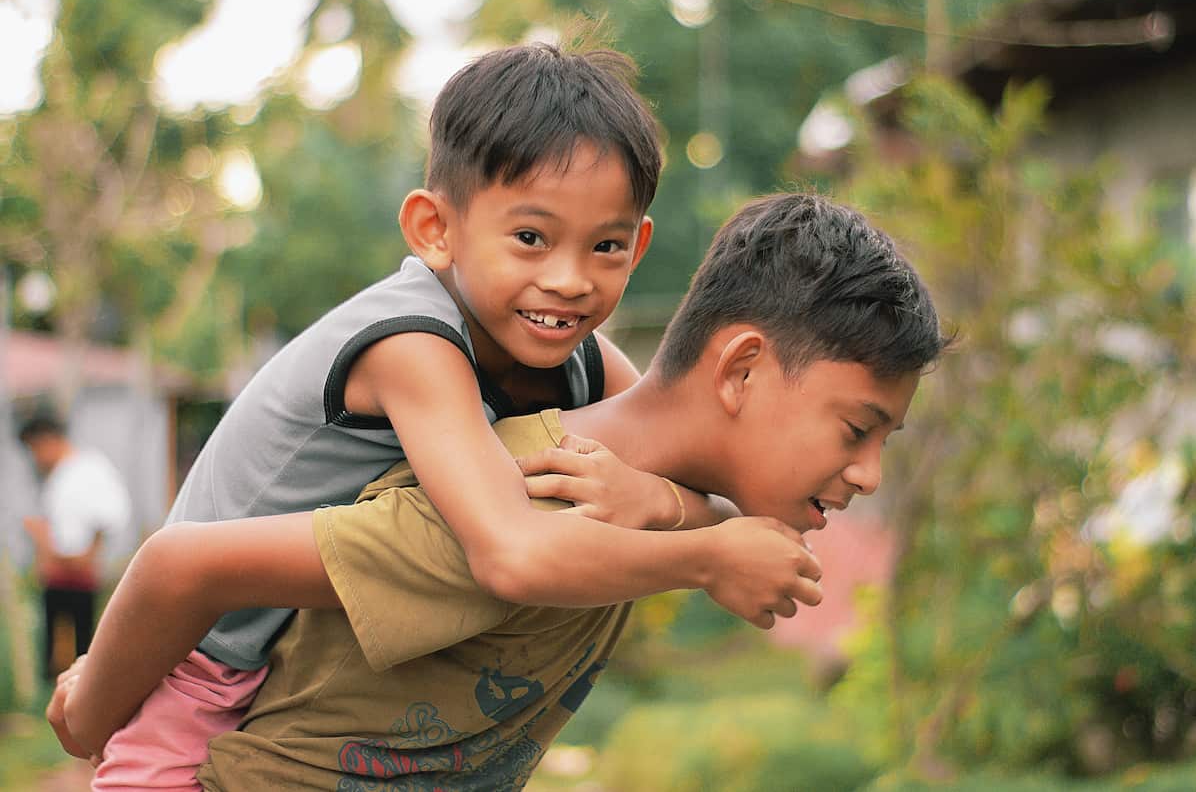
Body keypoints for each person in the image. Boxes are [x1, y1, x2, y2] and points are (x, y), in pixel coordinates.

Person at [70, 42, 819, 791]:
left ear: (640, 245)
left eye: (606, 247)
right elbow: (511, 553)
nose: (568, 280)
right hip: (200, 666)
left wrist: (661, 499)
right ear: (435, 229)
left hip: (295, 676)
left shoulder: (576, 355)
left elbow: (670, 431)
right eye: (531, 238)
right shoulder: (412, 345)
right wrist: (709, 553)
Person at [51, 193, 948, 789]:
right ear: (743, 369)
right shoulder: (529, 488)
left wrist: (678, 514)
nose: (868, 471)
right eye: (855, 428)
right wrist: (85, 712)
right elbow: (183, 565)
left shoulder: (624, 484)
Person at [19, 413, 130, 681]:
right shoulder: (56, 476)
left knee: (83, 639)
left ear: (47, 440)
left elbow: (110, 513)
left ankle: (81, 690)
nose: (35, 458)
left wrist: (89, 552)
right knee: (52, 637)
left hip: (80, 573)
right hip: (56, 572)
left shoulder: (89, 468)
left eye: (35, 449)